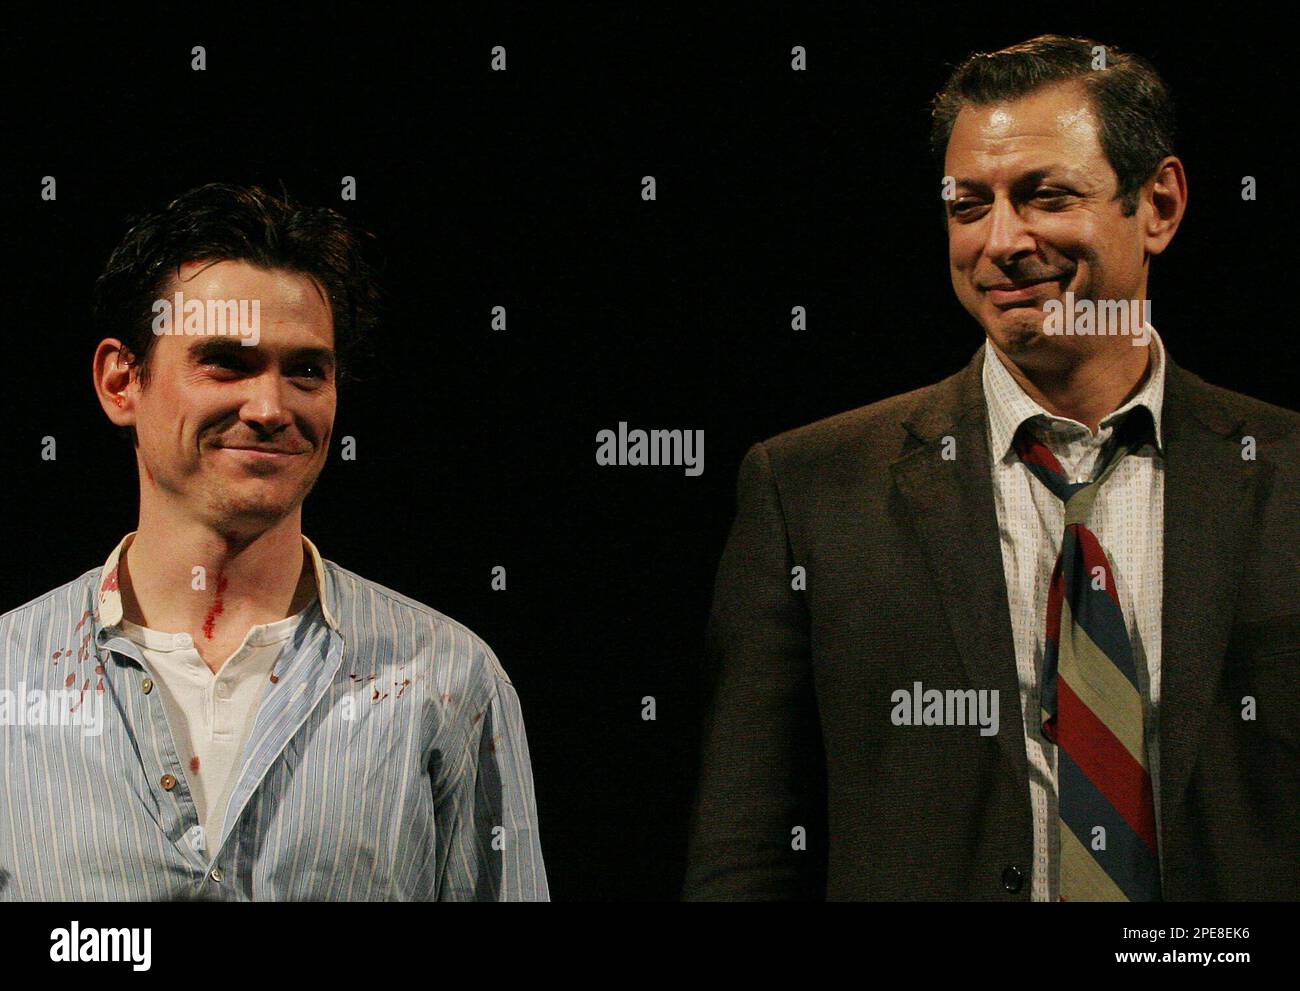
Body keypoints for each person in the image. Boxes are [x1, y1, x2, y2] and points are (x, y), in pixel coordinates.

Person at [683, 35, 1298, 901]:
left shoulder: (1287, 474)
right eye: (968, 206)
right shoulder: (811, 491)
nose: (1001, 242)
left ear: (1158, 203)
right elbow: (744, 853)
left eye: (1044, 196)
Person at [0, 183, 548, 901]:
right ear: (120, 380)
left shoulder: (445, 679)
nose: (270, 407)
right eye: (226, 362)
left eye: (306, 371)